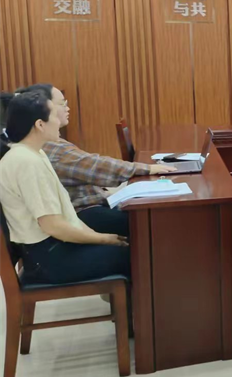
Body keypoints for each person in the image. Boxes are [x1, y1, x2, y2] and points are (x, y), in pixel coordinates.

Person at [6, 84, 175, 237]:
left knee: (149, 216)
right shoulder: (44, 149)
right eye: (62, 104)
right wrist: (145, 168)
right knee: (153, 224)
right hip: (83, 213)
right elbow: (94, 166)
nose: (67, 108)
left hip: (85, 211)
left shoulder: (42, 146)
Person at [0, 91, 130, 285]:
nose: (59, 122)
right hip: (49, 259)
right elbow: (53, 226)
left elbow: (66, 216)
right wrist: (104, 239)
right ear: (40, 124)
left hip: (54, 248)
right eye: (54, 116)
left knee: (134, 248)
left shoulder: (35, 153)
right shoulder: (26, 162)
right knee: (137, 255)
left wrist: (100, 237)